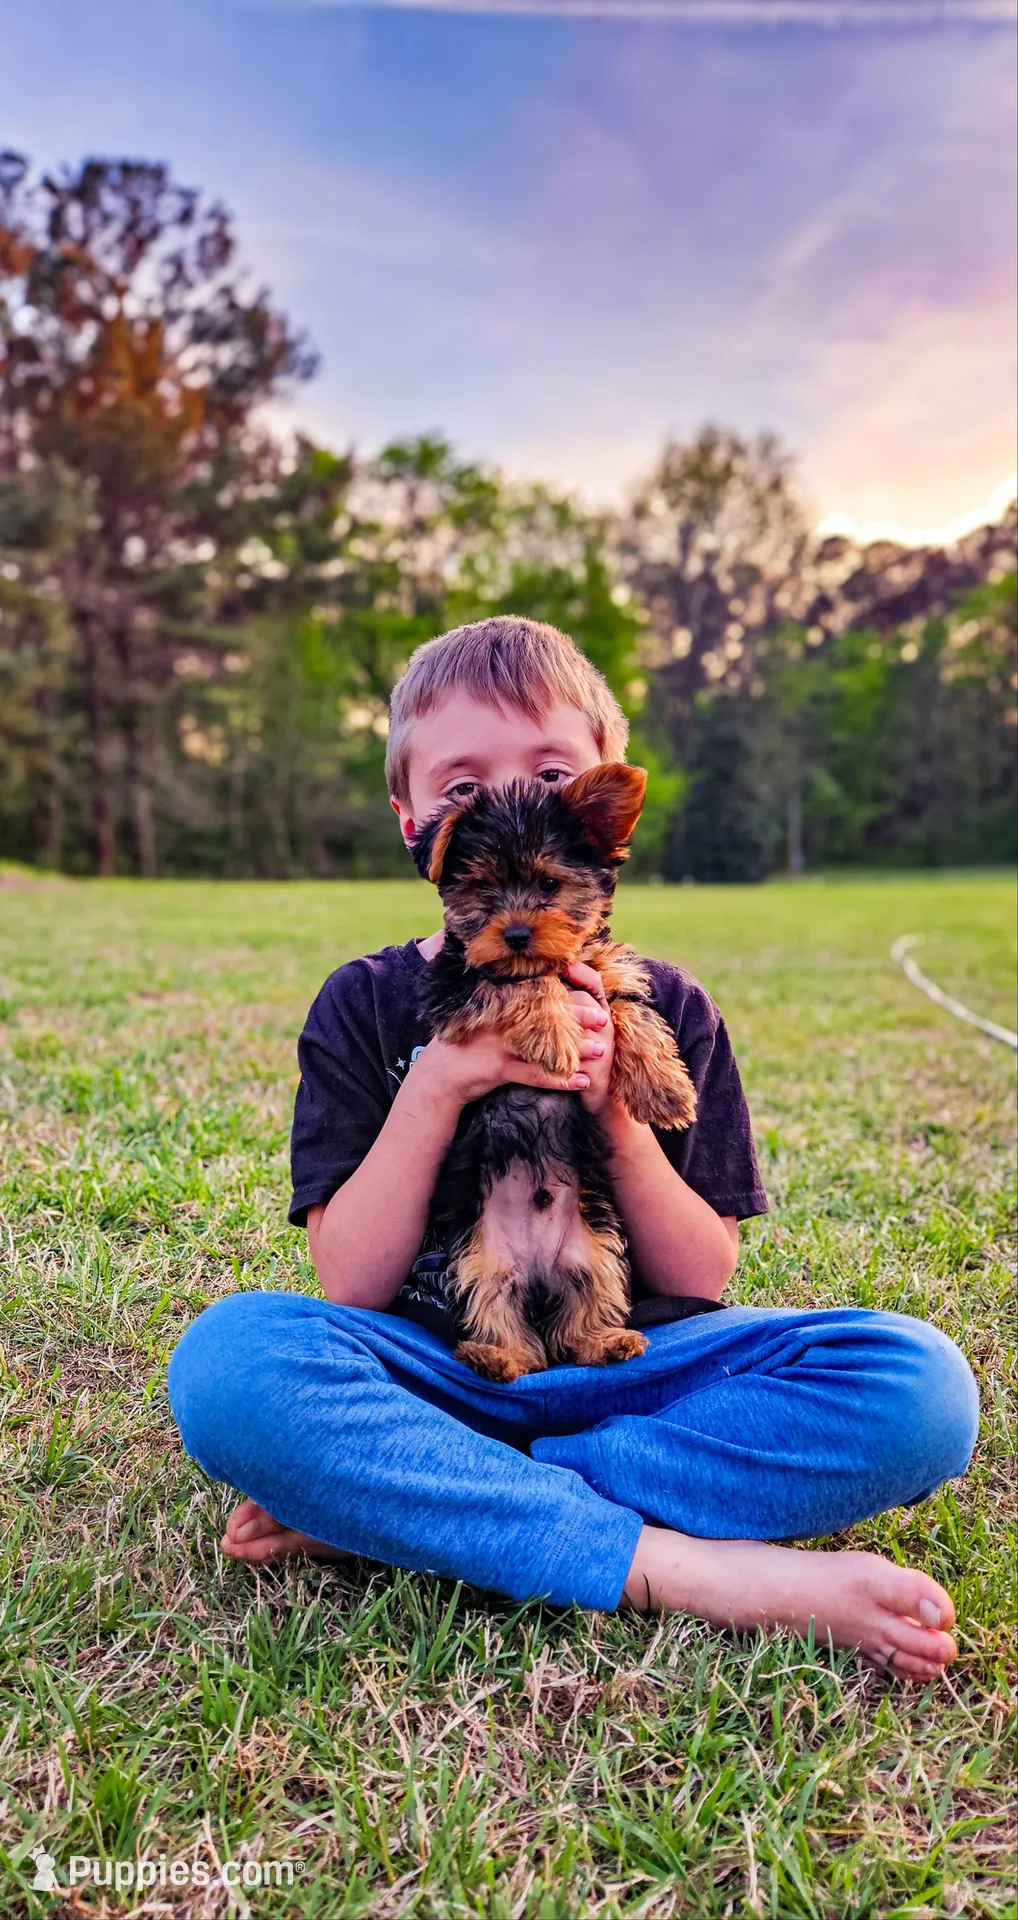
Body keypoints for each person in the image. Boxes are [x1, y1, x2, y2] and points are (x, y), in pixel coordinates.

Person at [168, 617, 978, 1679]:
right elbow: (349, 1281)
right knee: (229, 1365)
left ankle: (420, 1505)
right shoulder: (363, 1004)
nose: (510, 801)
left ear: (599, 813)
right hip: (434, 1368)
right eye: (462, 787)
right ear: (415, 823)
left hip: (640, 1368)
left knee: (918, 1388)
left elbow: (700, 1275)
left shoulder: (670, 1004)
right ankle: (681, 1564)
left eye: (552, 771)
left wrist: (611, 1110)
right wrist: (444, 1079)